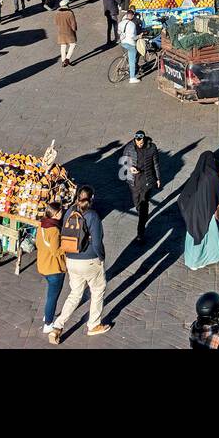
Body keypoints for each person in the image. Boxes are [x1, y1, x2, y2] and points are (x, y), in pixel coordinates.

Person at [49, 185, 111, 343]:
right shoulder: (92, 216)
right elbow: (97, 243)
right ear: (92, 199)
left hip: (71, 260)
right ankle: (94, 325)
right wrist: (101, 257)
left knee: (75, 294)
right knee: (97, 291)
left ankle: (57, 325)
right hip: (89, 261)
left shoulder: (69, 211)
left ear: (76, 197)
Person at [179, 151, 219, 270]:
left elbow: (183, 197)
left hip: (193, 215)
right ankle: (207, 259)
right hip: (209, 215)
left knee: (195, 238)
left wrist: (188, 211)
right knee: (207, 239)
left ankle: (193, 262)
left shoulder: (196, 175)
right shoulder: (213, 176)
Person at [120, 130, 161, 242]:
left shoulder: (152, 147)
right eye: (138, 143)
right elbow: (123, 161)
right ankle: (142, 214)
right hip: (133, 182)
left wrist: (158, 178)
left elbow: (156, 164)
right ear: (135, 140)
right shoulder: (129, 148)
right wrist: (129, 168)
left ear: (145, 139)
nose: (140, 144)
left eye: (141, 143)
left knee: (143, 205)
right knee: (136, 202)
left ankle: (140, 232)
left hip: (147, 181)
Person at [36, 200, 67, 333]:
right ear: (57, 213)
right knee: (52, 297)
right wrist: (67, 249)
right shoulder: (54, 230)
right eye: (61, 211)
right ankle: (48, 324)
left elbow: (39, 244)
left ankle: (47, 315)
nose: (62, 213)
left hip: (43, 265)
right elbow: (56, 251)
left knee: (50, 295)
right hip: (54, 268)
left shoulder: (42, 225)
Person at [118, 10, 140, 83]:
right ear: (133, 16)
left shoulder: (121, 23)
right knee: (132, 61)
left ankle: (126, 64)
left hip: (123, 42)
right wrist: (139, 36)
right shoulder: (132, 25)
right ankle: (132, 78)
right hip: (130, 44)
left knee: (128, 53)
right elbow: (133, 37)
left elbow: (119, 32)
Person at [55, 0, 78, 67]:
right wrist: (75, 29)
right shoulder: (70, 13)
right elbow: (73, 24)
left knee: (63, 46)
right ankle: (67, 59)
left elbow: (56, 22)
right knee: (73, 44)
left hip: (61, 32)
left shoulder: (57, 13)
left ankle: (63, 61)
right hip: (69, 32)